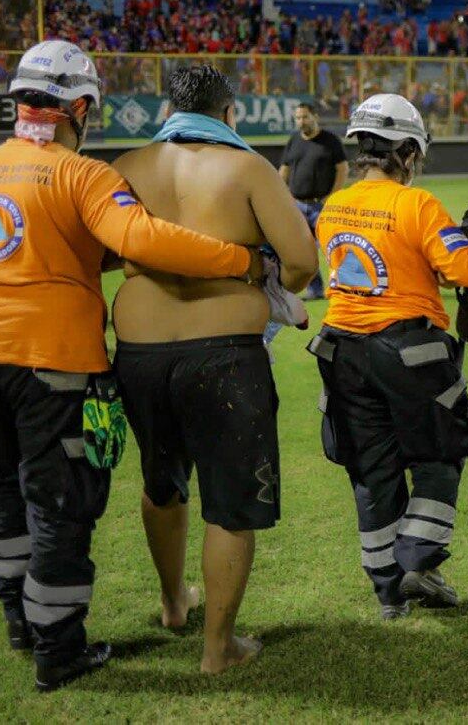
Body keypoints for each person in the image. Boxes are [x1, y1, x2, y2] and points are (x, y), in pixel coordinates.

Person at [0, 40, 264, 692]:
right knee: (60, 503)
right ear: (78, 106)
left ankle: (22, 627)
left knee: (3, 498)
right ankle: (59, 649)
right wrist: (237, 260)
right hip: (51, 360)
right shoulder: (82, 175)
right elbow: (141, 239)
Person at [111, 65, 318, 675]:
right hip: (225, 351)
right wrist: (261, 273)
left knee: (160, 481)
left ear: (168, 108)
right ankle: (217, 648)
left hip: (140, 352)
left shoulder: (127, 164)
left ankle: (175, 604)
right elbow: (303, 261)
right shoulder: (247, 167)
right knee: (230, 503)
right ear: (229, 112)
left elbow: (98, 250)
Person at [309, 93, 468, 619]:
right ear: (406, 152)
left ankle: (388, 590)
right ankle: (417, 560)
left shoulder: (334, 205)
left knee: (370, 468)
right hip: (410, 349)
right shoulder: (418, 205)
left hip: (342, 350)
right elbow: (464, 270)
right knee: (439, 453)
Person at [278, 101, 346, 299]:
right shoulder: (294, 140)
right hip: (297, 205)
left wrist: (332, 197)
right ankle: (315, 290)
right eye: (298, 118)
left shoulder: (330, 140)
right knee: (303, 251)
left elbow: (342, 169)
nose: (301, 122)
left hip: (321, 206)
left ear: (315, 117)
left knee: (334, 246)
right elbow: (284, 170)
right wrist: (282, 195)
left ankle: (344, 286)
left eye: (305, 117)